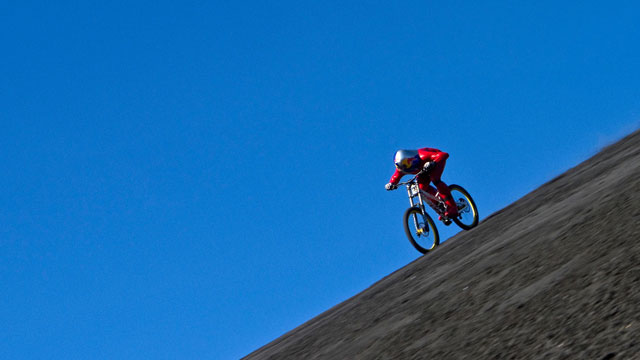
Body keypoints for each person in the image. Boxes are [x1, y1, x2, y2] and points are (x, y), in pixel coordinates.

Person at [385, 148, 459, 220]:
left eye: (406, 163)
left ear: (410, 158)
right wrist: (391, 183)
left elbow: (444, 155)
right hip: (423, 170)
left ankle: (452, 206)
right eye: (403, 165)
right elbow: (396, 177)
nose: (406, 167)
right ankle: (440, 205)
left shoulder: (422, 155)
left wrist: (434, 162)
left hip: (435, 162)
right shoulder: (402, 168)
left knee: (435, 180)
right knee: (420, 189)